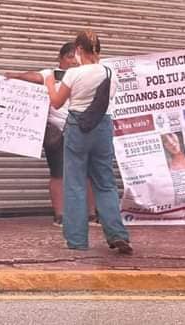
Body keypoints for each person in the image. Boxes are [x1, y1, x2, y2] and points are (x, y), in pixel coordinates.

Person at [44, 30, 132, 254]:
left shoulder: (74, 74)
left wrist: (48, 82)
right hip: (102, 127)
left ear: (78, 50)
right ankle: (117, 235)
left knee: (74, 184)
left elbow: (56, 102)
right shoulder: (110, 73)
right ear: (98, 50)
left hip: (77, 128)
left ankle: (77, 240)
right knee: (105, 182)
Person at [5, 42, 98, 227]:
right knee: (58, 174)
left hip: (83, 130)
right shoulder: (50, 74)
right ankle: (60, 215)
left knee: (88, 174)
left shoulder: (86, 74)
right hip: (57, 132)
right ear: (61, 58)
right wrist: (16, 75)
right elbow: (33, 76)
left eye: (76, 56)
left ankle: (91, 215)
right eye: (69, 56)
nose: (73, 61)